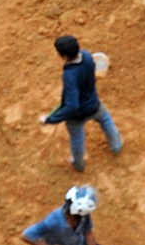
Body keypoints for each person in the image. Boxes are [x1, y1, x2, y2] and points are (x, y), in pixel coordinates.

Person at [39, 35, 120, 172]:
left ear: (64, 56)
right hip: (94, 104)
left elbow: (72, 106)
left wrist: (49, 119)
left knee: (77, 139)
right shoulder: (86, 55)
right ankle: (116, 146)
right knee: (106, 120)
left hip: (77, 115)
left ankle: (78, 164)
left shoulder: (69, 75)